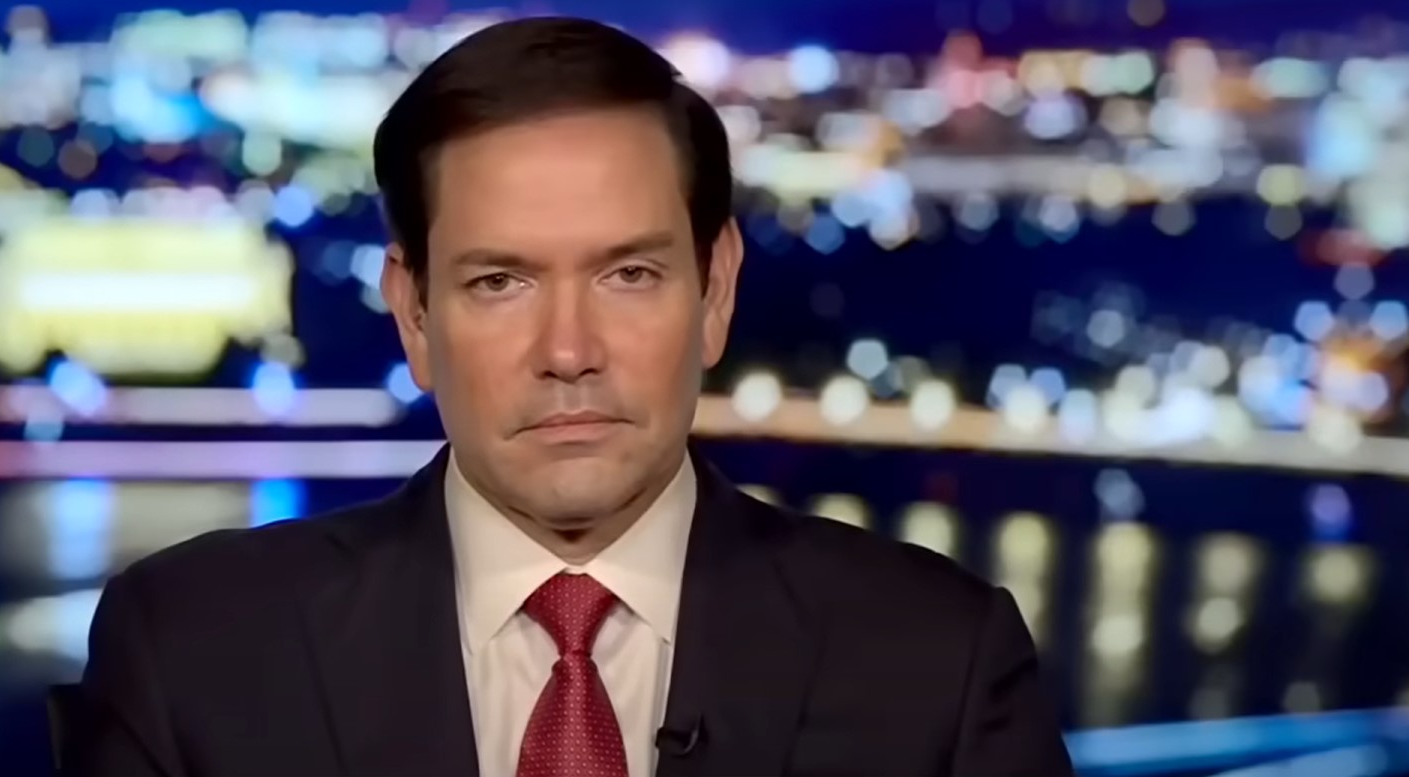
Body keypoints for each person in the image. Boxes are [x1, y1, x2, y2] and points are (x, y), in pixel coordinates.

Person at [66, 15, 1074, 777]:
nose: (568, 351)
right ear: (413, 313)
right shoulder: (194, 653)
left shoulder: (936, 666)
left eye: (628, 274)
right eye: (499, 282)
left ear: (715, 291)